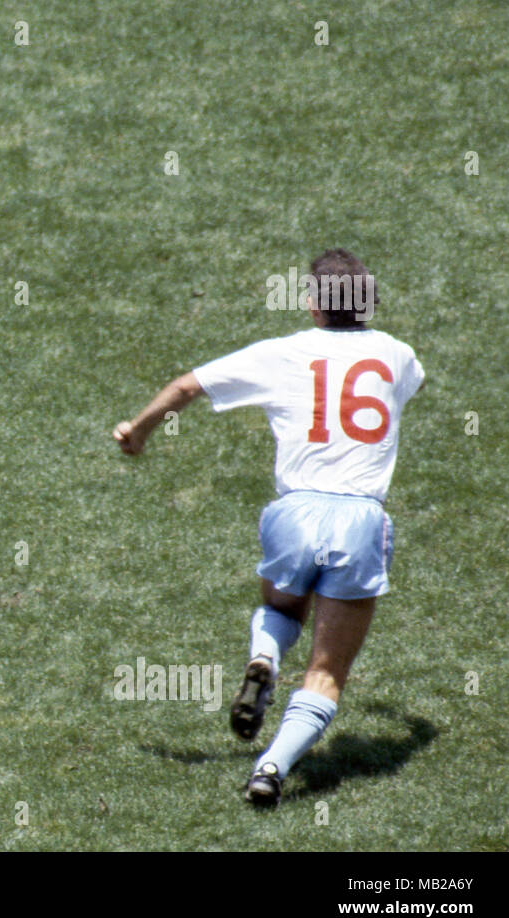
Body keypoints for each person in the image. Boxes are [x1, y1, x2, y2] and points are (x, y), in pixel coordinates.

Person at [112, 249, 423, 806]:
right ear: (370, 302)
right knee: (326, 671)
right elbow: (402, 388)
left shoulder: (284, 353)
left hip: (293, 513)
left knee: (282, 609)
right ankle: (271, 768)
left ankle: (265, 658)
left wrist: (137, 431)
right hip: (359, 519)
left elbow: (186, 386)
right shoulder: (399, 357)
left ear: (312, 305)